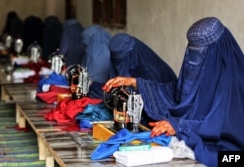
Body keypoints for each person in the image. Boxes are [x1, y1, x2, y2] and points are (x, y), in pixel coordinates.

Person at [102, 17, 244, 167]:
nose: (193, 61)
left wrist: (181, 126)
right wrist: (136, 83)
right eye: (191, 52)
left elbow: (223, 125)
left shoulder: (237, 84)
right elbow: (177, 93)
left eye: (200, 54)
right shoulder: (204, 72)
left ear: (217, 52)